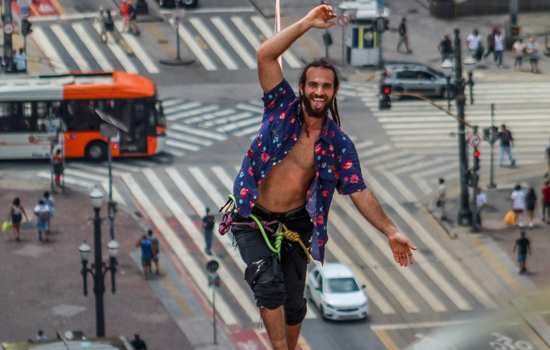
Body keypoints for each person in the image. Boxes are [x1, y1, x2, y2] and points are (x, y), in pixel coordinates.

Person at [221, 5, 416, 349]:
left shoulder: (338, 144)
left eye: (326, 87)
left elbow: (359, 192)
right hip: (252, 215)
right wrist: (308, 23)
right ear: (302, 87)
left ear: (334, 93)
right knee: (269, 286)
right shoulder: (280, 107)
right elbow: (266, 54)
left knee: (295, 304)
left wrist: (391, 230)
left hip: (297, 223)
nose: (319, 92)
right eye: (313, 85)